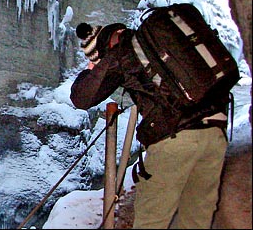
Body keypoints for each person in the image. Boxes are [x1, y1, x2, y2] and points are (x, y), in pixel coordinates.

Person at [70, 22, 229, 229]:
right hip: (214, 131)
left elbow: (82, 97)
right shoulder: (158, 45)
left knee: (151, 221)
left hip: (175, 139)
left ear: (102, 49)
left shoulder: (122, 52)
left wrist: (91, 69)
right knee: (197, 218)